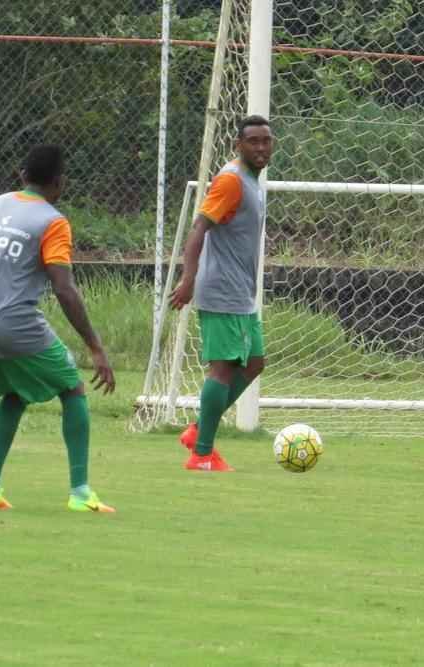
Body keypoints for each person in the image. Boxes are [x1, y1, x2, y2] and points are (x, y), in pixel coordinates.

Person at [0, 144, 117, 512]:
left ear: (22, 175)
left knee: (16, 392)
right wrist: (95, 346)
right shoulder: (52, 221)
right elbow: (64, 289)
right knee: (72, 387)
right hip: (12, 322)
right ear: (60, 182)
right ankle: (80, 493)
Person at [170, 115, 273, 472]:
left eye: (266, 141)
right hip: (221, 288)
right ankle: (202, 455)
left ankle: (200, 429)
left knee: (254, 362)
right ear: (237, 145)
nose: (260, 147)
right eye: (253, 141)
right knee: (223, 368)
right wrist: (188, 278)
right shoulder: (230, 181)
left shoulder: (252, 181)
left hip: (240, 291)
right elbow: (199, 228)